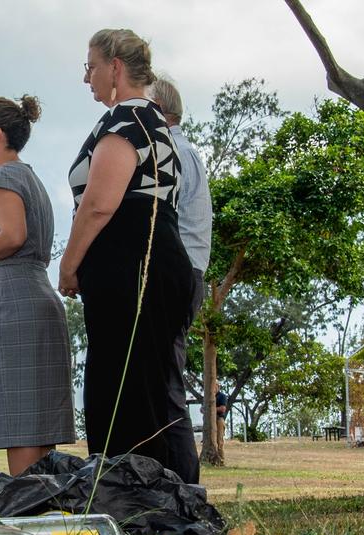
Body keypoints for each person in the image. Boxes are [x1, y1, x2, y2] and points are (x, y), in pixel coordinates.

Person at [58, 28, 199, 481]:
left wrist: (68, 263)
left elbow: (100, 203)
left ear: (115, 68)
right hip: (151, 260)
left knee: (123, 390)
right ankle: (169, 500)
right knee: (151, 389)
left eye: (91, 66)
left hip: (132, 264)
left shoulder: (126, 121)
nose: (87, 78)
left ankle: (136, 499)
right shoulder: (155, 122)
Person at [0, 95, 75, 476]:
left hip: (13, 306)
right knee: (37, 427)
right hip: (35, 296)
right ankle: (47, 518)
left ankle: (28, 520)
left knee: (20, 424)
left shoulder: (3, 176)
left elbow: (12, 235)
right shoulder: (31, 177)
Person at [149, 75, 212, 483]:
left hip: (178, 272)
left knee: (167, 382)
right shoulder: (185, 151)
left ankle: (186, 486)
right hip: (191, 272)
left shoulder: (172, 151)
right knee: (163, 380)